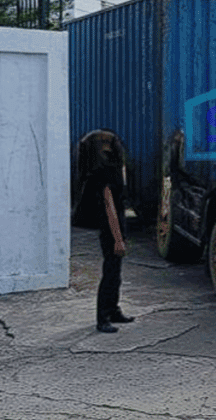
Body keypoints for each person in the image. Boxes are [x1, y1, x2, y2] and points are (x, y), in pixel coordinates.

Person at [76, 130, 135, 333]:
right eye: (108, 142)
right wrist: (118, 238)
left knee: (115, 272)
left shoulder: (107, 169)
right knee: (110, 272)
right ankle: (102, 317)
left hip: (116, 222)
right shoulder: (102, 174)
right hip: (111, 226)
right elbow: (110, 208)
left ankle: (114, 309)